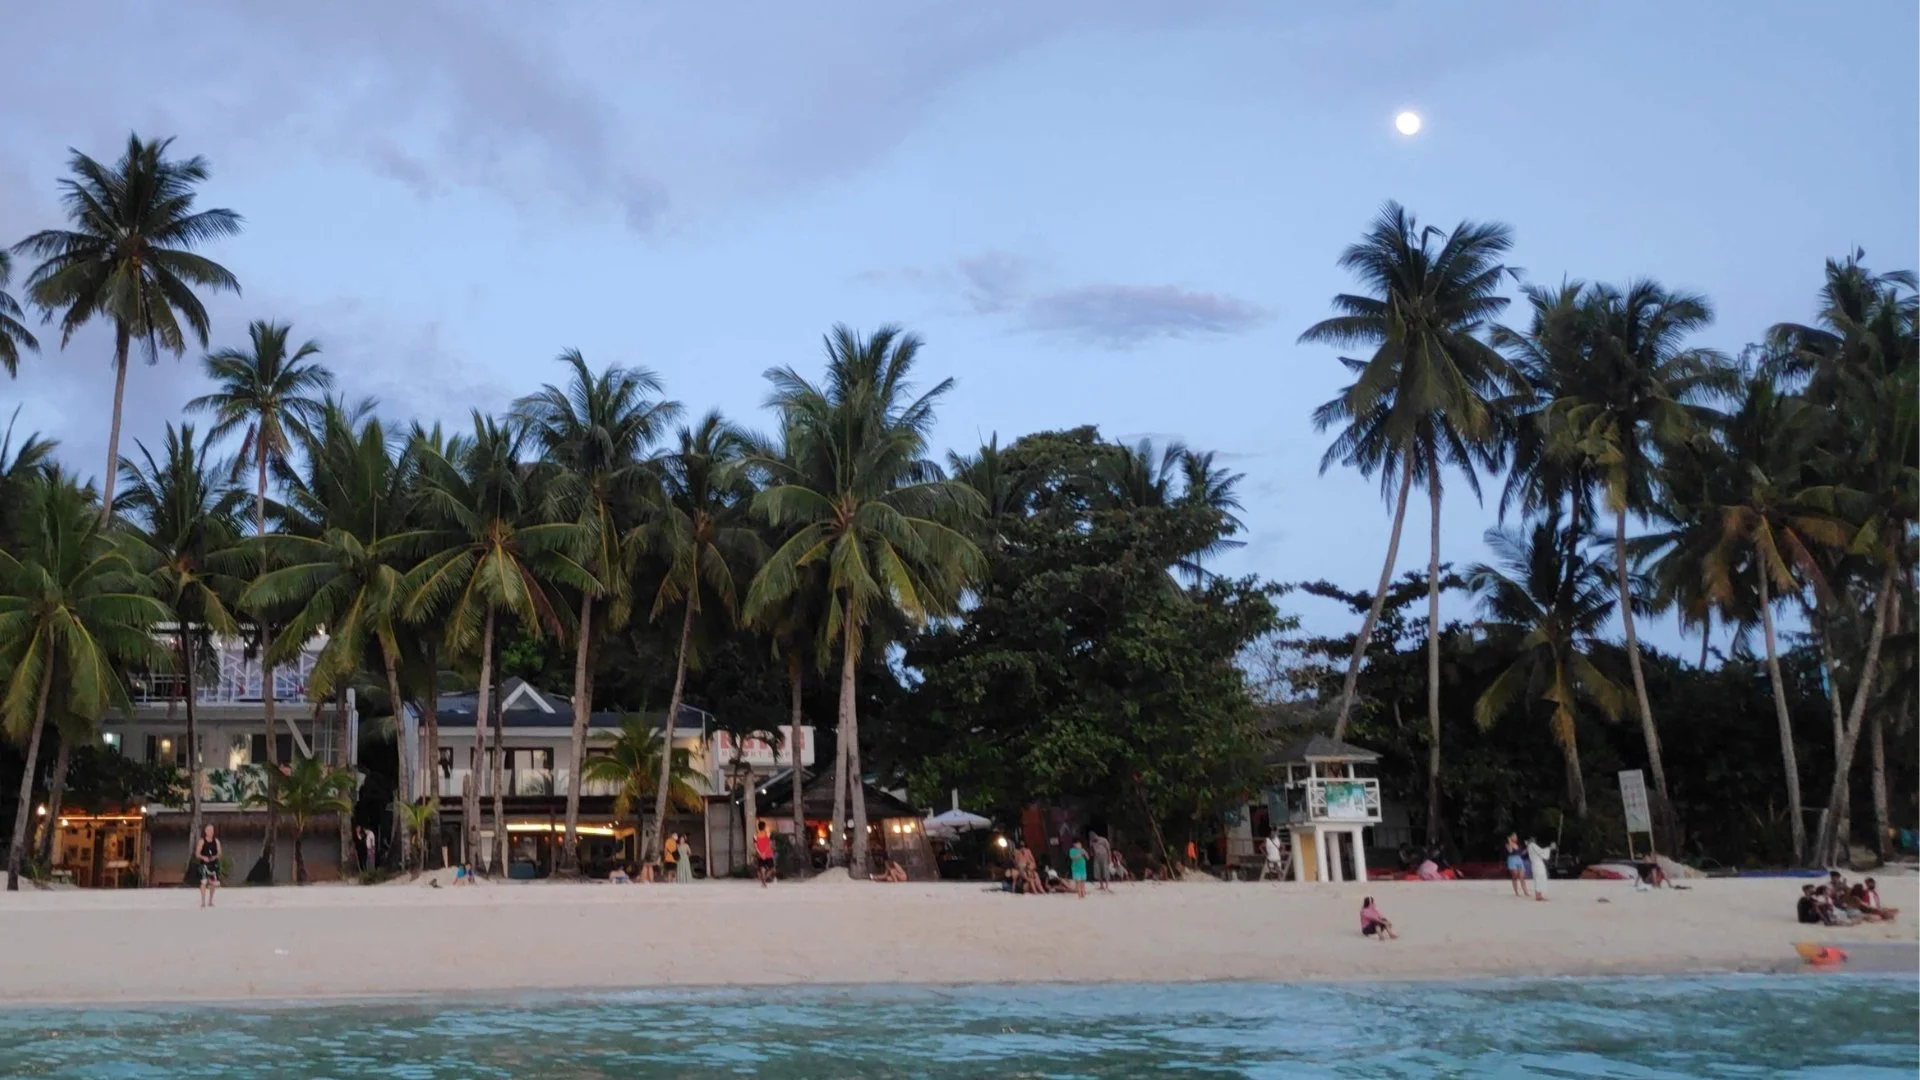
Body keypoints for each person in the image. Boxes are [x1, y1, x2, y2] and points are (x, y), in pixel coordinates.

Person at [196, 824, 222, 909]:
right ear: (206, 831)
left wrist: (215, 857)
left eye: (212, 830)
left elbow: (219, 853)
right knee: (203, 881)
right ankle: (203, 901)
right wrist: (203, 857)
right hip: (204, 864)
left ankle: (210, 900)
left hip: (213, 863)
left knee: (213, 883)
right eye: (209, 830)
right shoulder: (202, 841)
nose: (211, 832)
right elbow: (197, 854)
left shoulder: (216, 841)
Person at [1504, 834, 1530, 898]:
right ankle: (1516, 892)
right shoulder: (1507, 845)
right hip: (1512, 860)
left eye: (1516, 836)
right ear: (1510, 837)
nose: (1516, 838)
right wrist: (1509, 841)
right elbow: (1510, 850)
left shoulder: (1518, 845)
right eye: (1514, 836)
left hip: (1519, 859)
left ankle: (1525, 892)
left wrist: (1527, 849)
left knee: (1522, 877)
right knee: (1514, 876)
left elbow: (1521, 853)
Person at [754, 821, 776, 887]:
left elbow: (755, 846)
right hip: (768, 854)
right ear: (764, 827)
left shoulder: (755, 835)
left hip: (760, 855)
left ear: (758, 827)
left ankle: (763, 882)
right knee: (771, 868)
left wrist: (760, 853)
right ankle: (765, 879)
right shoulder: (768, 834)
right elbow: (769, 844)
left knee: (762, 868)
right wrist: (764, 852)